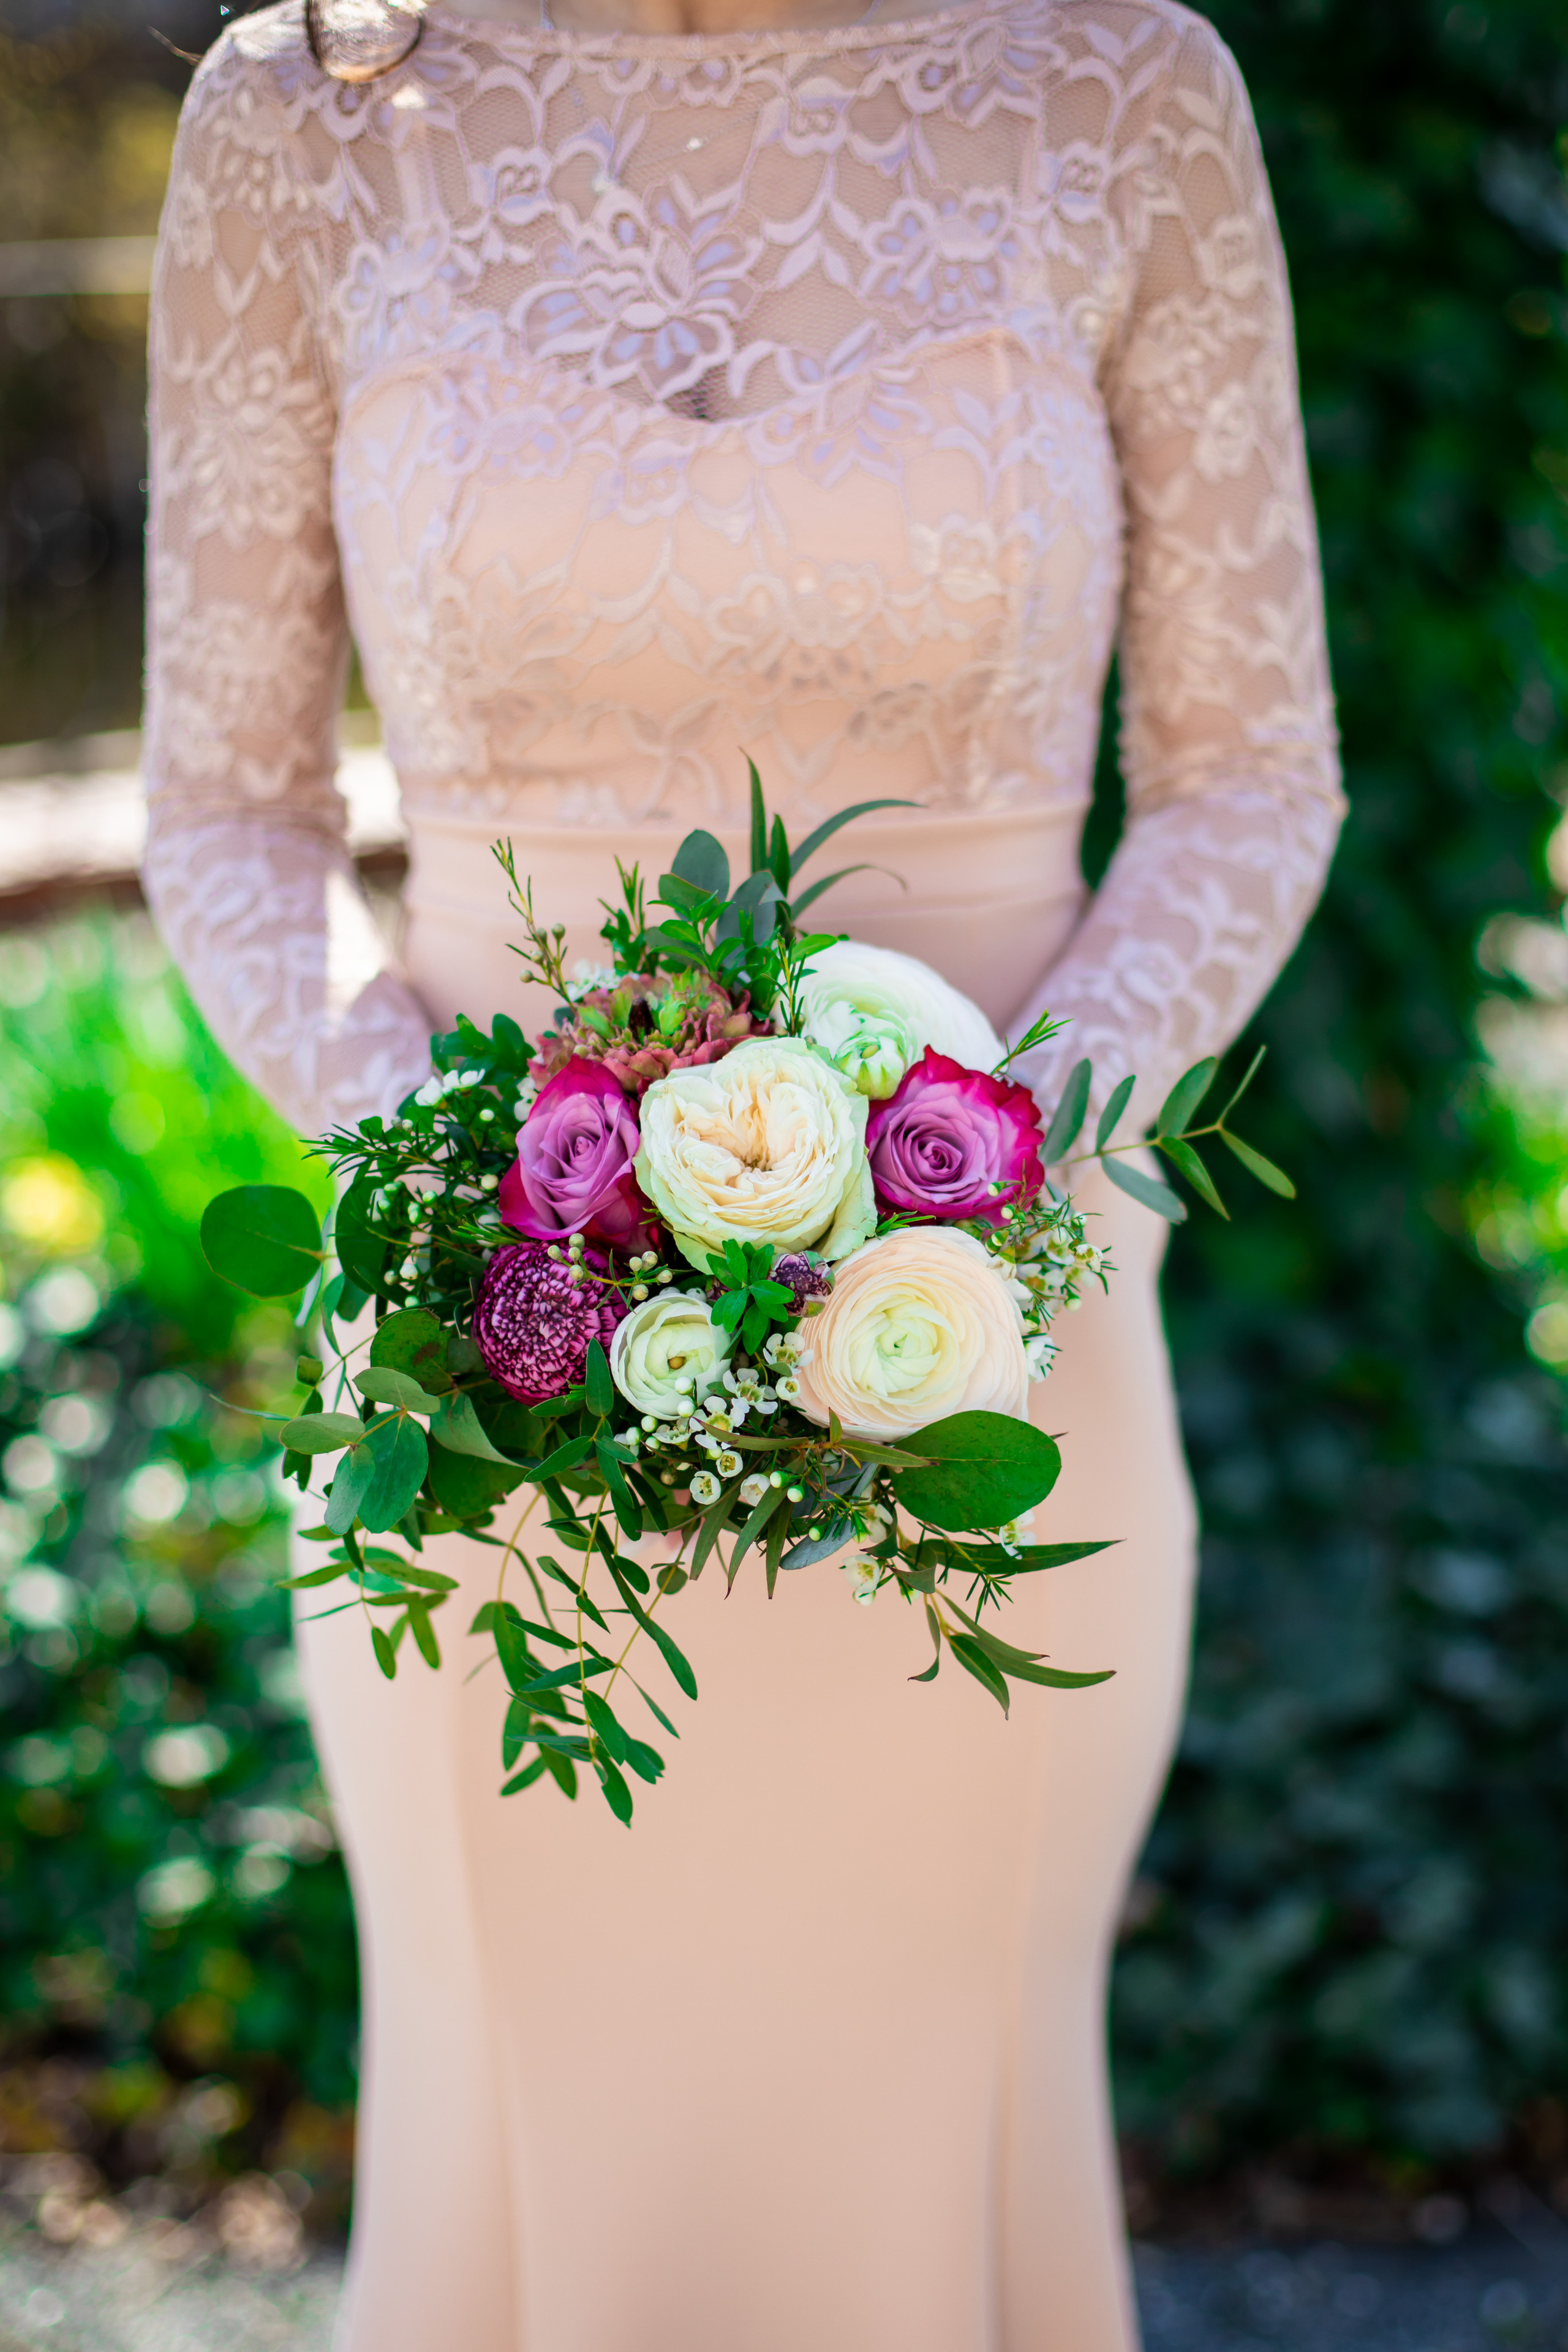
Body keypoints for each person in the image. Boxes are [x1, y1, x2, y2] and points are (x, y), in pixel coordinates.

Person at [140, 0, 1342, 2335]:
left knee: (942, 2129)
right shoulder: (309, 117)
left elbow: (1247, 767)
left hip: (995, 1361)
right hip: (489, 1366)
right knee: (524, 2149)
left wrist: (1002, 1159)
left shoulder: (1120, 89)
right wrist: (454, 1166)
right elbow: (228, 809)